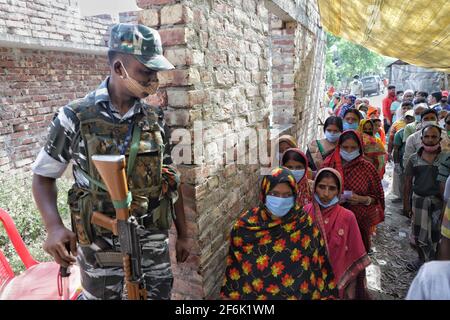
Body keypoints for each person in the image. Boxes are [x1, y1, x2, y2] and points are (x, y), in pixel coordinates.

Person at [31, 24, 190, 300]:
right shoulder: (75, 117)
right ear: (119, 68)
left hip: (151, 240)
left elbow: (169, 179)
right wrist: (54, 227)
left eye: (156, 72)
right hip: (99, 246)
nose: (154, 80)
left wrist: (184, 235)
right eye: (146, 71)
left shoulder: (154, 119)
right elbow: (43, 176)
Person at [220, 167, 338, 300]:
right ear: (264, 194)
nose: (281, 200)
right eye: (275, 194)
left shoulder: (303, 223)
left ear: (295, 196)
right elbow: (235, 272)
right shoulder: (246, 227)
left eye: (287, 195)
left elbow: (318, 265)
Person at [304, 168, 370, 299]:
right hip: (306, 277)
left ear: (339, 191)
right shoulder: (305, 212)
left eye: (332, 188)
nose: (326, 194)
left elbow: (355, 253)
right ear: (314, 187)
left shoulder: (347, 217)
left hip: (335, 277)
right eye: (321, 187)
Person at [321, 130, 385, 255]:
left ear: (360, 148)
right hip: (331, 219)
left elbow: (377, 197)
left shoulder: (367, 168)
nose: (349, 151)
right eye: (345, 147)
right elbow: (318, 190)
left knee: (356, 254)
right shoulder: (329, 164)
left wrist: (362, 199)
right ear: (339, 147)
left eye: (353, 148)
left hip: (359, 221)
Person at [403, 125, 446, 270]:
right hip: (419, 201)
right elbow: (408, 183)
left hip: (439, 202)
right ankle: (421, 259)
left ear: (440, 139)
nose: (430, 139)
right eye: (427, 136)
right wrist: (406, 205)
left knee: (437, 233)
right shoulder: (414, 159)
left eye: (434, 137)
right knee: (418, 234)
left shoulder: (445, 159)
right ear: (421, 139)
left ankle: (434, 262)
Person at [391, 110, 416, 201]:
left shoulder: (422, 131)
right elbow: (396, 149)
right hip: (404, 160)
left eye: (411, 118)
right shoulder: (400, 133)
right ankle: (403, 198)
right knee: (403, 180)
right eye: (407, 118)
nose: (409, 120)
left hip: (417, 161)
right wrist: (397, 163)